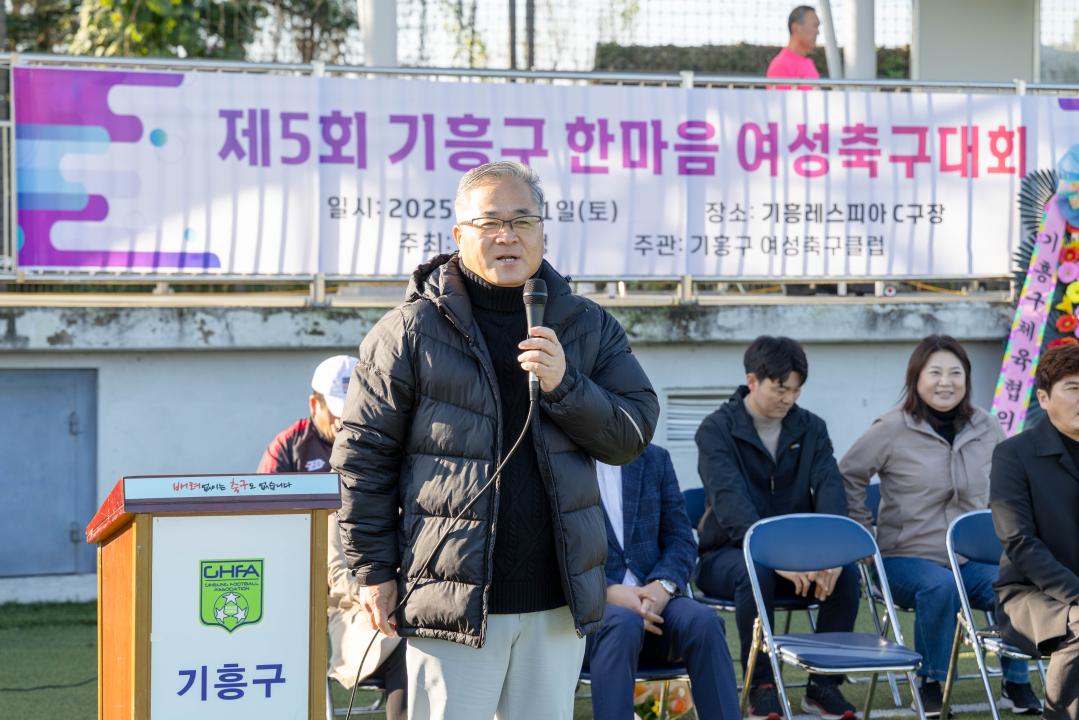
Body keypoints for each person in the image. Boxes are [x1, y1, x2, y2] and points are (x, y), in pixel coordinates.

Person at [330, 160, 660, 720]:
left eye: (521, 220)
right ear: (459, 237)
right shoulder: (408, 332)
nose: (507, 235)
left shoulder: (587, 326)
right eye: (490, 223)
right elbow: (362, 461)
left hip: (556, 601)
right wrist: (373, 571)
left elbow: (631, 435)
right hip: (451, 599)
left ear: (543, 233)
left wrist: (565, 385)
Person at [841, 336, 1041, 717]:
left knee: (1017, 580)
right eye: (935, 373)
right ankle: (932, 681)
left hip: (969, 559)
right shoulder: (891, 427)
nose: (945, 382)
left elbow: (1009, 483)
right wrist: (861, 531)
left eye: (955, 373)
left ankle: (1015, 682)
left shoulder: (986, 426)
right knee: (939, 585)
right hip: (906, 558)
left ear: (967, 379)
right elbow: (849, 474)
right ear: (916, 378)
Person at [694, 336, 859, 720]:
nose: (789, 399)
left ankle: (824, 685)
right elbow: (731, 504)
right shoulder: (716, 430)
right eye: (781, 389)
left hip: (798, 556)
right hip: (726, 555)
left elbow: (830, 486)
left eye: (796, 390)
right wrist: (775, 555)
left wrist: (831, 555)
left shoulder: (811, 428)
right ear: (752, 381)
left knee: (846, 575)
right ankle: (762, 686)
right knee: (757, 574)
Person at [257, 354, 407, 720]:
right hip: (315, 590)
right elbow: (262, 524)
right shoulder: (289, 447)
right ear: (315, 404)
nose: (344, 419)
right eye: (337, 410)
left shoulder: (385, 442)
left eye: (353, 406)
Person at [586, 443, 740, 720]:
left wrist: (663, 585)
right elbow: (552, 554)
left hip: (656, 599)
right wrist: (607, 592)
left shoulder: (655, 458)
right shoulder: (562, 461)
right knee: (623, 623)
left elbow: (681, 538)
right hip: (593, 611)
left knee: (704, 622)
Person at [993, 343, 1079, 719]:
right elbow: (1019, 542)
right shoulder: (1014, 454)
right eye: (1074, 389)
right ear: (1043, 398)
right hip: (1030, 595)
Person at [766, 5, 821, 89]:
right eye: (814, 25)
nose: (817, 32)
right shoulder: (780, 66)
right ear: (796, 28)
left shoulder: (808, 62)